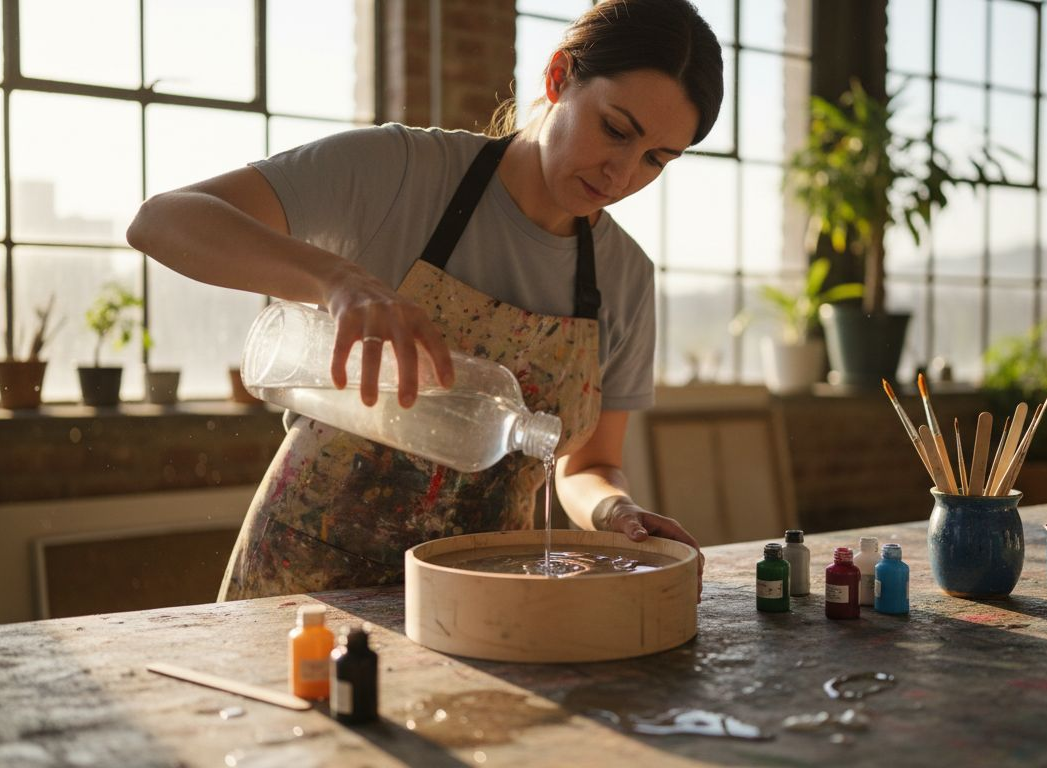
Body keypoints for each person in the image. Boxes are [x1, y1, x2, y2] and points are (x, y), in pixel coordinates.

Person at [126, 0, 723, 601]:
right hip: (306, 587)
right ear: (558, 77)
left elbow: (586, 466)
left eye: (656, 159)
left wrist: (615, 511)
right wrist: (339, 281)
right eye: (615, 130)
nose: (621, 174)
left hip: (481, 598)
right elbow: (161, 221)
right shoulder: (402, 171)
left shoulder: (625, 276)